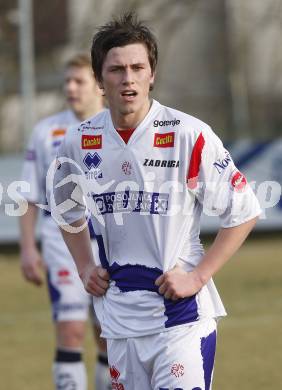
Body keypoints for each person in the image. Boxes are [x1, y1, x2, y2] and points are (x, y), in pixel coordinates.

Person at [50, 13, 261, 390]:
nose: (128, 79)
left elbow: (244, 211)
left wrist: (198, 275)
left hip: (181, 321)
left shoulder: (187, 134)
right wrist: (84, 265)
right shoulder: (79, 142)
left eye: (137, 67)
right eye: (116, 70)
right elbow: (66, 208)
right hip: (119, 322)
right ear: (99, 80)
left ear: (152, 74)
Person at [19, 54, 111, 390]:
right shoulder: (46, 131)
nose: (70, 88)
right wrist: (28, 249)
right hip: (61, 242)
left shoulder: (115, 128)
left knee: (108, 334)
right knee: (71, 330)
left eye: (79, 81)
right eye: (67, 81)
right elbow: (27, 194)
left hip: (109, 242)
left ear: (99, 87)